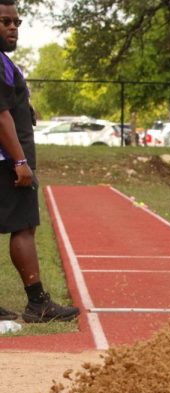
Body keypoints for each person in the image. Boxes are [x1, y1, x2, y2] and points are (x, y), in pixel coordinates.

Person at [0, 2, 79, 323]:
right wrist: (19, 160)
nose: (13, 27)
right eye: (4, 21)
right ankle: (38, 303)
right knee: (23, 227)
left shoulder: (5, 62)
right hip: (7, 162)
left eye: (16, 21)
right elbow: (1, 114)